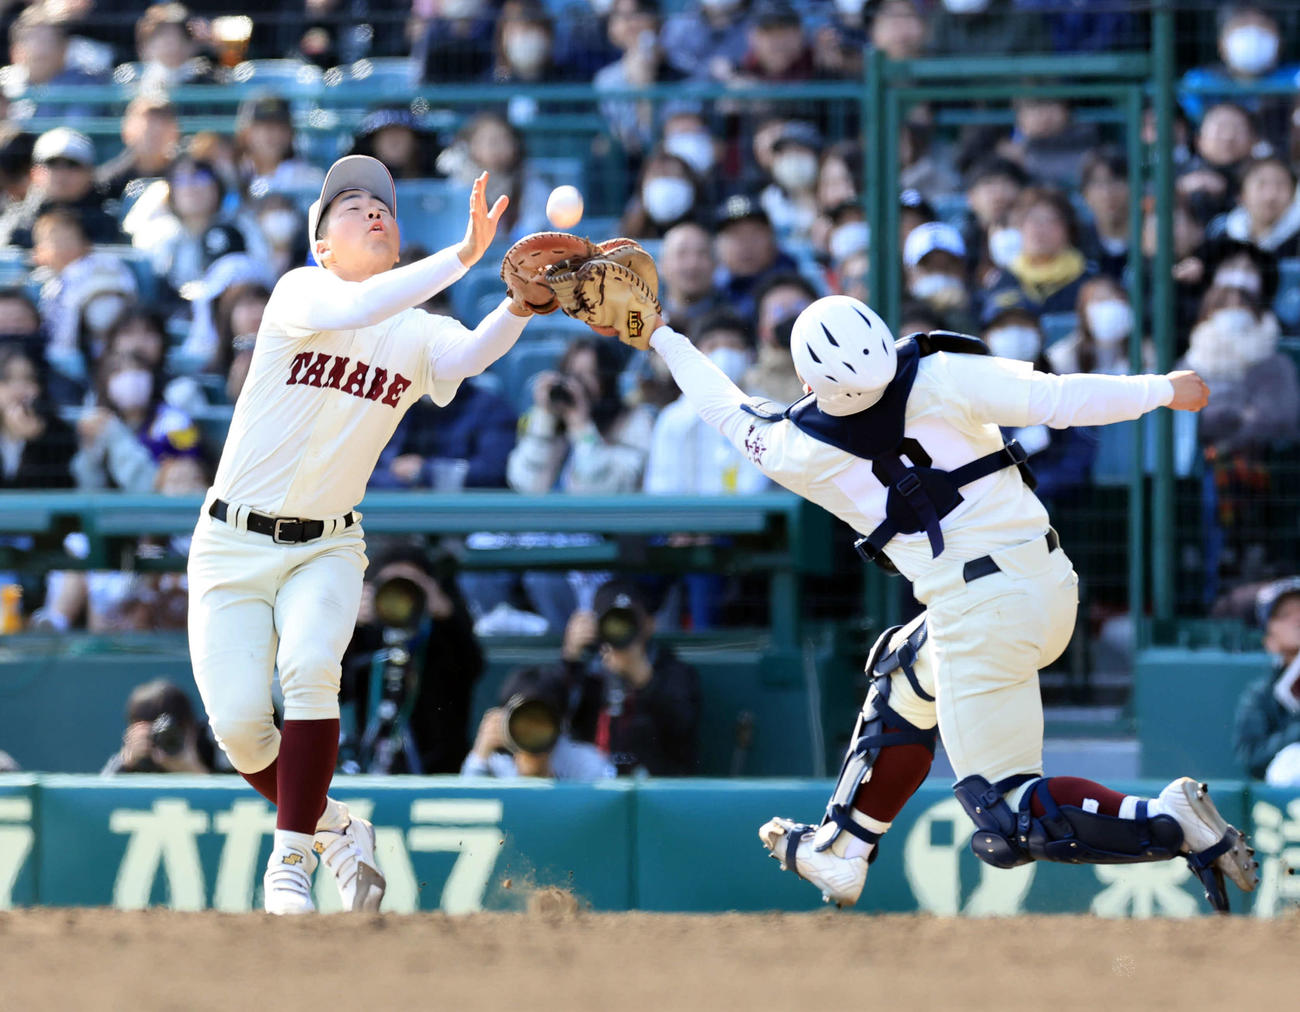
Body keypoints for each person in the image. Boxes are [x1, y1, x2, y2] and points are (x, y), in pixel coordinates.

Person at [616, 284, 1256, 912]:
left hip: (982, 616)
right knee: (906, 671)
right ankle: (844, 849)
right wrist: (1164, 389)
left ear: (809, 383)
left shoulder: (798, 450)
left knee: (1006, 816)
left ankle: (1169, 820)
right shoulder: (943, 370)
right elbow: (1062, 399)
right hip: (1045, 584)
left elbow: (723, 407)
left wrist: (663, 336)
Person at [186, 155, 532, 914]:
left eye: (383, 203)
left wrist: (522, 303)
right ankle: (338, 830)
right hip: (231, 545)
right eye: (349, 205)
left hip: (327, 546)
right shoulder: (301, 292)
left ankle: (289, 866)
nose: (373, 209)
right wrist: (464, 256)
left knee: (311, 668)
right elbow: (358, 308)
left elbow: (471, 355)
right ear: (321, 245)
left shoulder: (415, 331)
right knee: (242, 731)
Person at [340, 542, 486, 774]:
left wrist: (446, 617)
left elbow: (472, 669)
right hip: (367, 764)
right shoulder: (363, 635)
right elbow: (337, 689)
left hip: (439, 768)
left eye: (410, 588)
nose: (401, 598)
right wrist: (348, 624)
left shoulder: (442, 632)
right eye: (391, 587)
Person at [564, 578, 701, 775]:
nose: (620, 630)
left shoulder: (676, 672)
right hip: (594, 790)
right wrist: (570, 660)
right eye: (612, 621)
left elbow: (682, 736)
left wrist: (645, 679)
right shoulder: (589, 672)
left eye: (628, 620)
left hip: (656, 791)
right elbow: (557, 721)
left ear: (649, 623)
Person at [461, 665, 615, 780]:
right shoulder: (495, 761)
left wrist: (544, 776)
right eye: (524, 718)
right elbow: (468, 811)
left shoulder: (584, 762)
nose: (532, 729)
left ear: (560, 722)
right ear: (506, 719)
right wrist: (479, 756)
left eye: (540, 720)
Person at [1234, 577, 1300, 783]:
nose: (1298, 618)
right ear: (1270, 641)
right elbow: (1252, 758)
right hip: (1288, 806)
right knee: (1290, 765)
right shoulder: (1260, 695)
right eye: (1285, 615)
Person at [102, 679, 216, 775]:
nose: (161, 744)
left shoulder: (212, 748)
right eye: (152, 736)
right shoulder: (134, 761)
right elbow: (100, 795)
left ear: (191, 728)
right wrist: (125, 763)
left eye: (171, 735)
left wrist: (195, 772)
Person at [0, 345, 75, 489]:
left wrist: (38, 439)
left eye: (28, 378)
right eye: (7, 378)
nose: (19, 388)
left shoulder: (58, 431)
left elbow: (58, 487)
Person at [1209, 155, 1300, 258]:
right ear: (1241, 195)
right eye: (1261, 185)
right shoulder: (1221, 233)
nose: (1270, 196)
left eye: (1280, 186)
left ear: (1293, 196)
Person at [96, 95, 181, 201]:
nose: (155, 129)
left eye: (163, 124)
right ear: (127, 131)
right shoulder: (107, 182)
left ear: (175, 132)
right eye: (148, 130)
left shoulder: (186, 178)